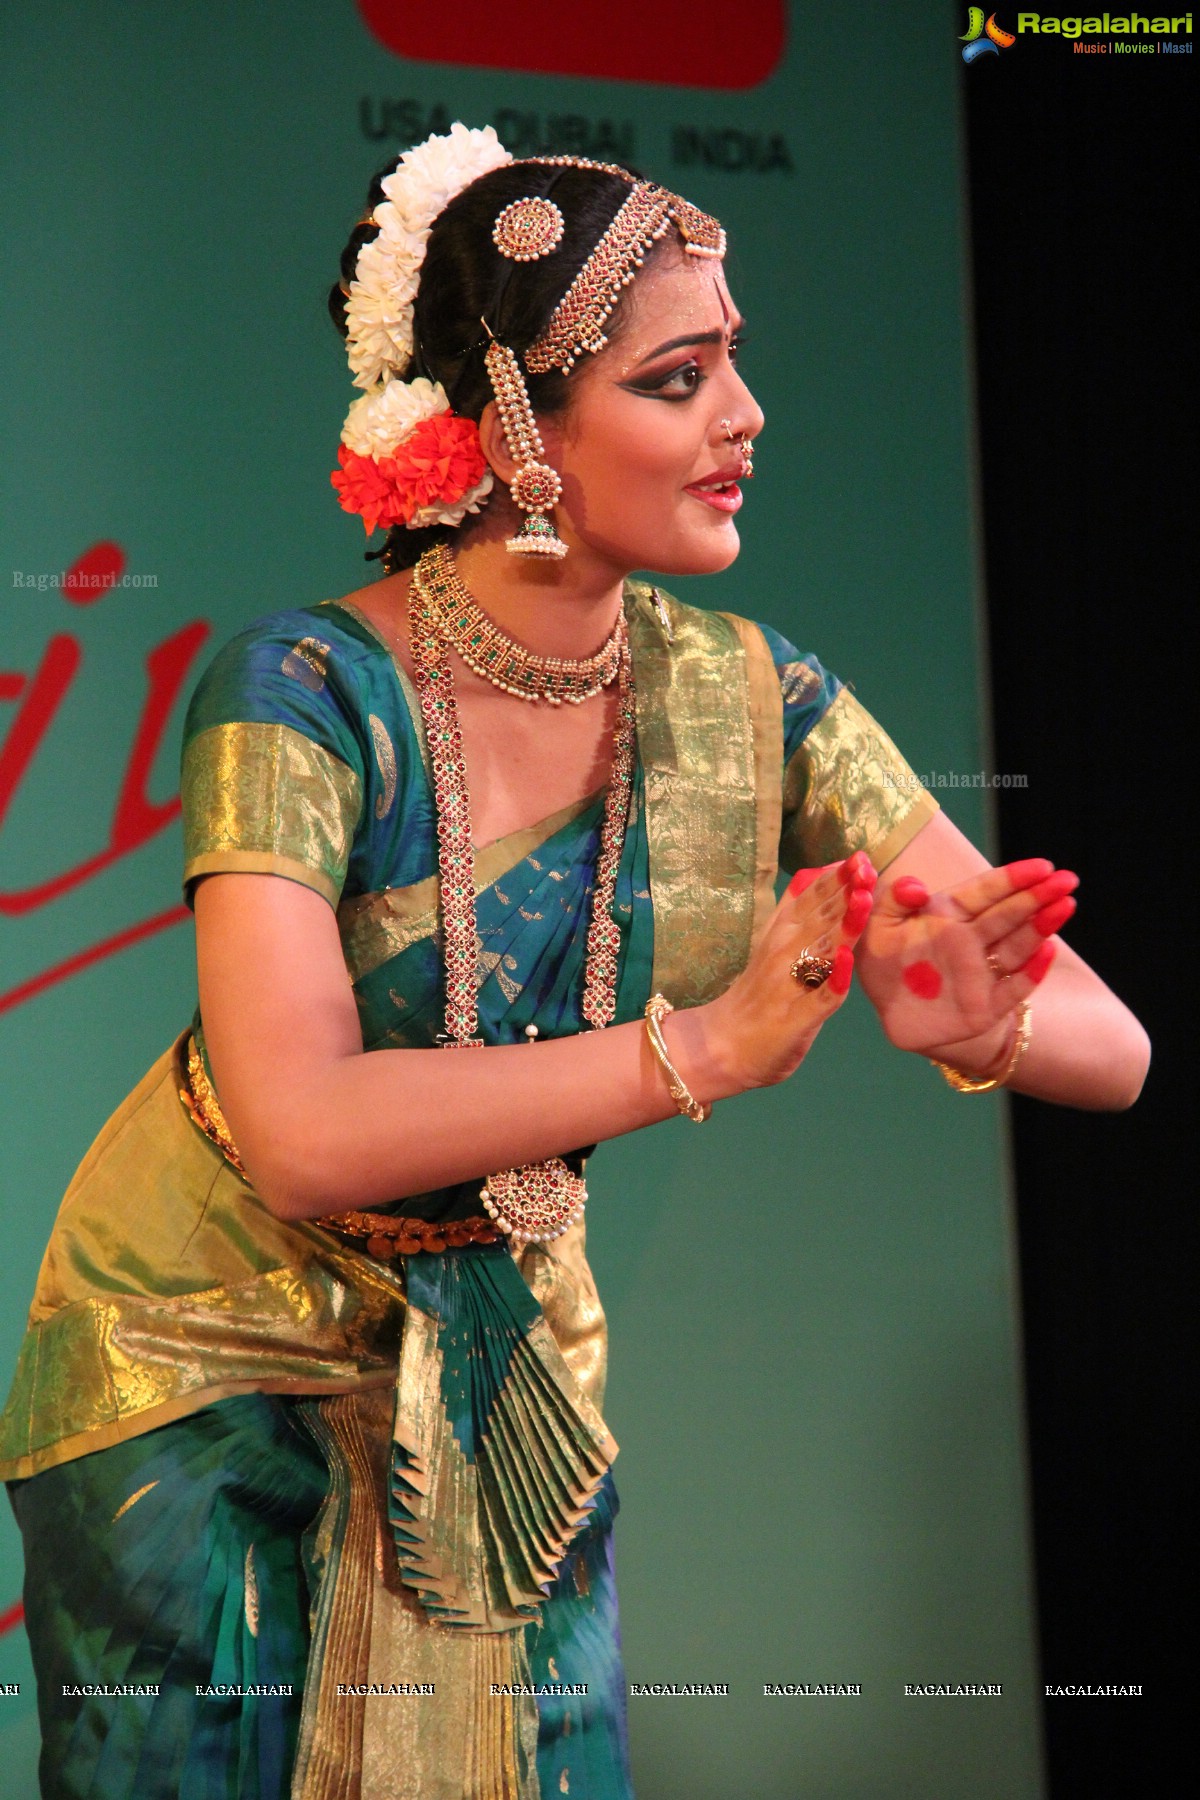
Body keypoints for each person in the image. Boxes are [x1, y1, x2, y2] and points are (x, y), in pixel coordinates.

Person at [1, 125, 1148, 1800]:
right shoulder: (304, 690)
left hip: (501, 1368)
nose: (745, 420)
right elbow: (303, 1127)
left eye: (732, 369)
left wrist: (970, 1020)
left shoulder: (756, 698)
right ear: (520, 429)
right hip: (199, 1350)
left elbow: (1108, 1044)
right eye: (680, 381)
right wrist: (705, 1049)